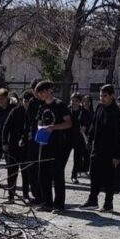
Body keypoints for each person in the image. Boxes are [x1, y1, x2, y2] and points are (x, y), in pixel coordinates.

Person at [82, 84, 120, 212]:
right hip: (97, 149)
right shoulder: (99, 107)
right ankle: (92, 199)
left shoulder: (117, 112)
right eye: (100, 95)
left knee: (109, 177)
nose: (102, 98)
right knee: (93, 174)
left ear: (112, 96)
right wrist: (90, 139)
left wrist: (117, 155)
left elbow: (119, 135)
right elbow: (94, 124)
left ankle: (108, 203)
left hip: (110, 151)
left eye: (105, 95)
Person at [34, 81, 72, 212]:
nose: (39, 95)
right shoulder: (41, 106)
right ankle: (47, 202)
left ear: (47, 91)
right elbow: (39, 121)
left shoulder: (59, 104)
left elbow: (68, 123)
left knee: (57, 174)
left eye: (40, 92)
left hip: (58, 144)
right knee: (43, 174)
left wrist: (53, 127)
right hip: (44, 143)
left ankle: (59, 204)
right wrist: (40, 128)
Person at [3, 90, 33, 202]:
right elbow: (6, 127)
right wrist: (4, 142)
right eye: (25, 101)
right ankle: (11, 195)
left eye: (29, 101)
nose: (27, 103)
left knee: (26, 172)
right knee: (12, 171)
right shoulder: (15, 111)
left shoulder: (34, 112)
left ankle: (26, 194)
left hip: (27, 147)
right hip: (13, 146)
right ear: (22, 101)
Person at [23, 79, 43, 204]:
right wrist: (25, 137)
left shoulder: (47, 102)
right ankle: (35, 193)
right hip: (33, 140)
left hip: (45, 141)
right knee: (32, 168)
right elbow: (28, 122)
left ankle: (42, 195)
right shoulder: (32, 103)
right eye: (34, 90)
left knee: (43, 169)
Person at [69, 93, 92, 184]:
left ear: (80, 102)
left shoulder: (85, 112)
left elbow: (86, 125)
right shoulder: (67, 110)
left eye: (76, 101)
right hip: (67, 137)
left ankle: (74, 176)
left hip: (79, 138)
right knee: (62, 157)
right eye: (72, 100)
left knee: (77, 158)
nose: (74, 103)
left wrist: (84, 128)